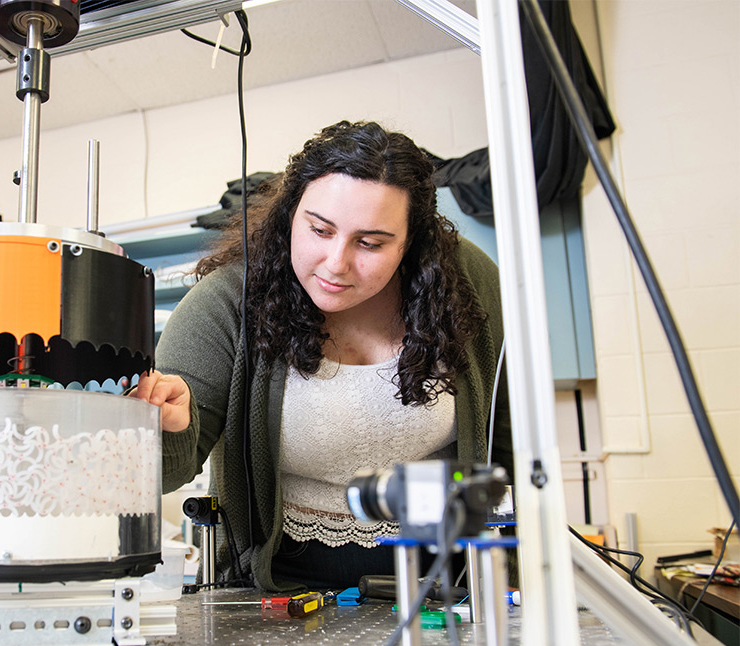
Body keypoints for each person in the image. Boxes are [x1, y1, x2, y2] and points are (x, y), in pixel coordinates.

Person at [132, 121, 512, 591]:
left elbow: (506, 441)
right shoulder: (227, 302)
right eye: (319, 230)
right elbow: (168, 473)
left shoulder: (467, 284)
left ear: (411, 241)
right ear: (290, 216)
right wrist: (164, 427)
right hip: (277, 586)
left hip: (446, 582)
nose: (336, 263)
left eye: (370, 243)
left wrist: (506, 574)